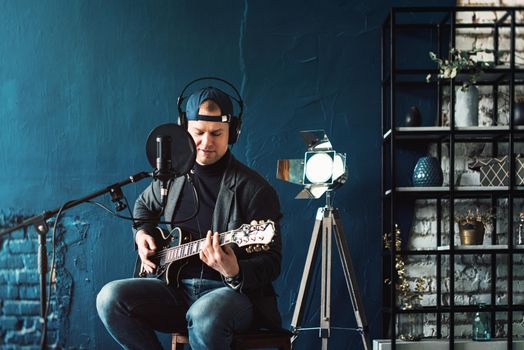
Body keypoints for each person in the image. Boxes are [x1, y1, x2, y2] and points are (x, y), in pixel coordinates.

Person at [96, 85, 283, 350]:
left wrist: (235, 271)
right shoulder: (172, 177)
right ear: (185, 130)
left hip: (230, 295)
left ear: (234, 133)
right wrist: (142, 235)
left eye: (217, 133)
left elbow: (272, 261)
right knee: (109, 298)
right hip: (174, 291)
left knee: (204, 315)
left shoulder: (255, 189)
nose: (206, 142)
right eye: (199, 133)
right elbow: (143, 208)